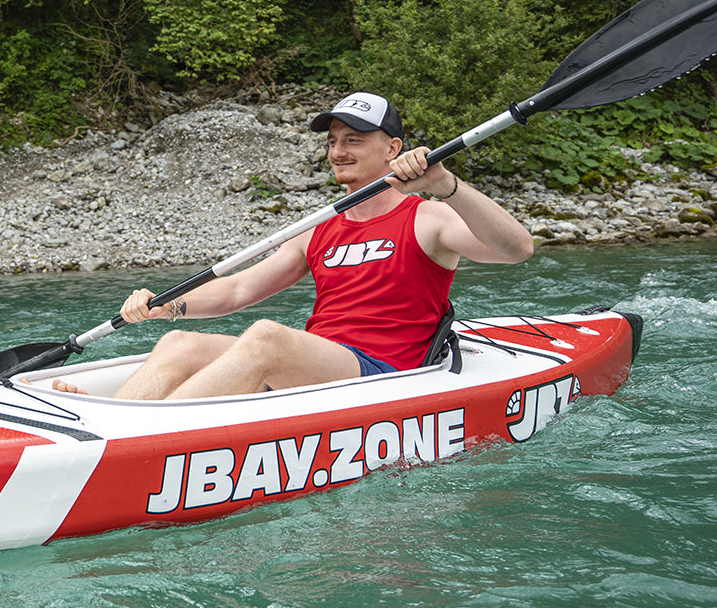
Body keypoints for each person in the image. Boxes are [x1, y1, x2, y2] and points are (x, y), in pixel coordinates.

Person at [52, 92, 534, 400]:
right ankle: (111, 420)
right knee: (179, 342)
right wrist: (164, 306)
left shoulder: (428, 217)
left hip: (385, 374)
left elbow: (517, 250)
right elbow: (237, 291)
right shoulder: (319, 227)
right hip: (319, 362)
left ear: (393, 148)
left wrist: (447, 185)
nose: (339, 151)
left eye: (356, 140)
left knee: (266, 337)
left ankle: (145, 435)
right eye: (334, 141)